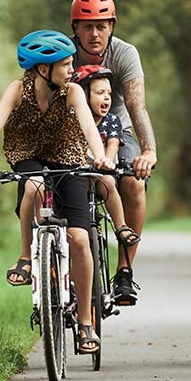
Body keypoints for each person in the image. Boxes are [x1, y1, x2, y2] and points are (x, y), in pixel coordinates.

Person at [0, 29, 113, 353]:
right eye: (65, 65)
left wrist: (101, 157)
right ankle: (25, 257)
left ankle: (85, 322)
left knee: (79, 238)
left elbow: (90, 129)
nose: (71, 70)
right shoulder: (16, 92)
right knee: (33, 184)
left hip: (68, 159)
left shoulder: (74, 92)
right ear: (42, 70)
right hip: (28, 156)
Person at [70, 0, 157, 307]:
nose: (95, 34)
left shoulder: (124, 54)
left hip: (116, 131)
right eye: (87, 27)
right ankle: (56, 262)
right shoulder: (65, 55)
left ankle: (123, 270)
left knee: (134, 182)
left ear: (112, 26)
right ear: (75, 28)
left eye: (102, 26)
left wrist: (148, 151)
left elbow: (136, 105)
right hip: (73, 131)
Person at [70, 64, 140, 250]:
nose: (107, 98)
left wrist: (107, 160)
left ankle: (121, 226)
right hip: (80, 171)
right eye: (100, 92)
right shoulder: (73, 119)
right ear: (84, 95)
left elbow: (113, 143)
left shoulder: (111, 120)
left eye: (109, 93)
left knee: (108, 182)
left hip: (102, 171)